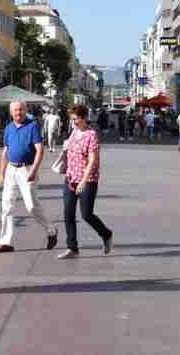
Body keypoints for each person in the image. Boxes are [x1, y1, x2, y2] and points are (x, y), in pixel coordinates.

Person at [0, 100, 58, 254]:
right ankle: (5, 242)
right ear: (11, 112)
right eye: (15, 110)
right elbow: (5, 152)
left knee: (32, 206)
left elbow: (39, 150)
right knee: (6, 206)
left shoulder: (32, 126)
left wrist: (34, 170)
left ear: (25, 110)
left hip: (26, 169)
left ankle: (51, 230)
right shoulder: (8, 128)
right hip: (11, 170)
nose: (18, 113)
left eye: (21, 110)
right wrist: (1, 173)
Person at [57, 104, 114, 259]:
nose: (74, 122)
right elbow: (68, 150)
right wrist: (65, 148)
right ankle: (72, 247)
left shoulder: (91, 135)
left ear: (84, 118)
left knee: (86, 214)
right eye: (72, 119)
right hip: (70, 177)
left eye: (76, 119)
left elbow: (93, 160)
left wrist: (83, 181)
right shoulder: (74, 132)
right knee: (68, 213)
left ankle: (106, 234)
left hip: (87, 179)